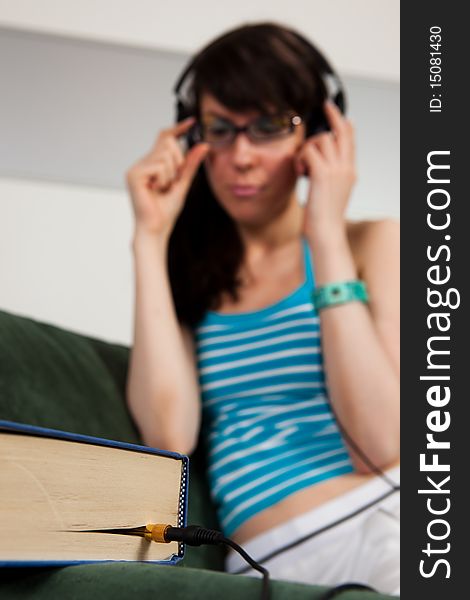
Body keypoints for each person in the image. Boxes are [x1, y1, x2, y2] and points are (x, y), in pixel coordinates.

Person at [125, 22, 400, 595]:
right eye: (220, 130)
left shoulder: (371, 244)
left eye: (269, 127)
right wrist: (149, 240)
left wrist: (324, 233)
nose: (241, 156)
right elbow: (169, 436)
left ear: (320, 134)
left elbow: (380, 442)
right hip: (277, 553)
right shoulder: (192, 273)